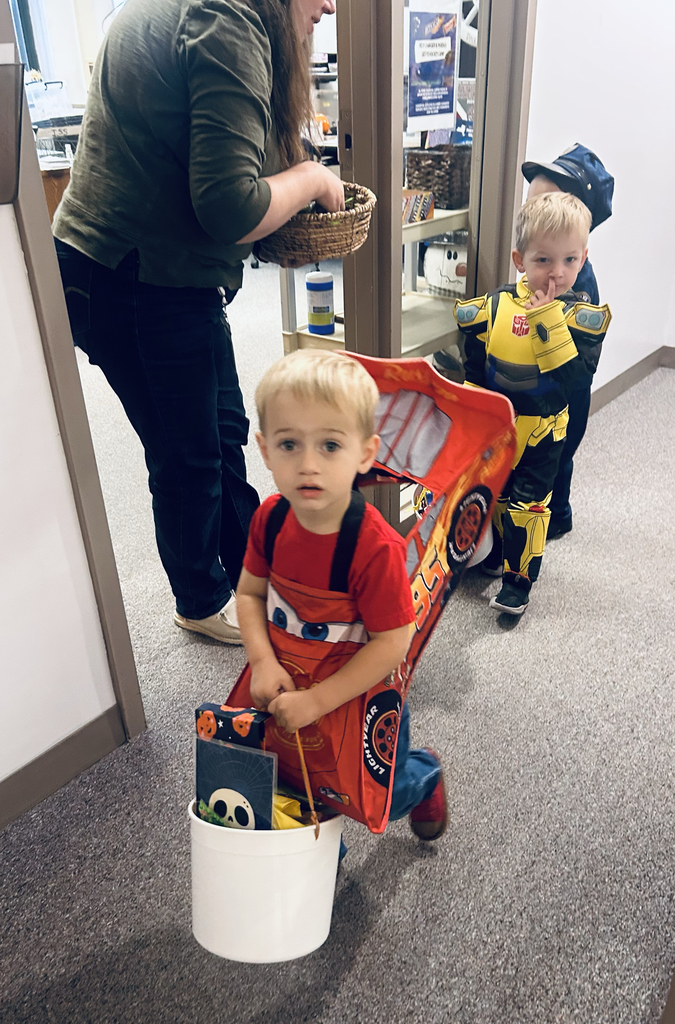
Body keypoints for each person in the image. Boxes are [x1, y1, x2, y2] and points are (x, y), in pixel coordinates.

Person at [53, 0, 344, 644]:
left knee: (221, 427)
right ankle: (200, 596)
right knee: (185, 452)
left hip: (156, 271)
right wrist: (308, 176)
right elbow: (231, 207)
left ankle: (247, 564)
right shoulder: (228, 18)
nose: (329, 5)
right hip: (132, 276)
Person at [234, 349, 448, 840]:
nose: (308, 465)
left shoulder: (374, 549)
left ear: (366, 453)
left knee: (377, 795)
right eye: (289, 444)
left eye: (330, 446)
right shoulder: (270, 519)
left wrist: (320, 701)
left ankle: (422, 774)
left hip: (357, 694)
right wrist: (263, 663)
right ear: (264, 450)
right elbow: (249, 595)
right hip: (288, 681)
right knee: (290, 786)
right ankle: (319, 867)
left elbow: (393, 643)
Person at [454, 192, 611, 616]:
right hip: (497, 427)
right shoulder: (496, 305)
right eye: (544, 260)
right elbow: (475, 365)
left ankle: (518, 582)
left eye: (570, 261)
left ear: (584, 259)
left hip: (543, 429)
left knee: (528, 504)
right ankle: (494, 553)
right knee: (498, 498)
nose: (557, 275)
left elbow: (576, 379)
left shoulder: (581, 316)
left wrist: (548, 324)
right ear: (519, 259)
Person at [522, 144, 614, 538]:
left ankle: (556, 515)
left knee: (558, 451)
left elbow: (575, 366)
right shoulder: (542, 271)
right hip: (535, 385)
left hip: (567, 390)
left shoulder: (578, 289)